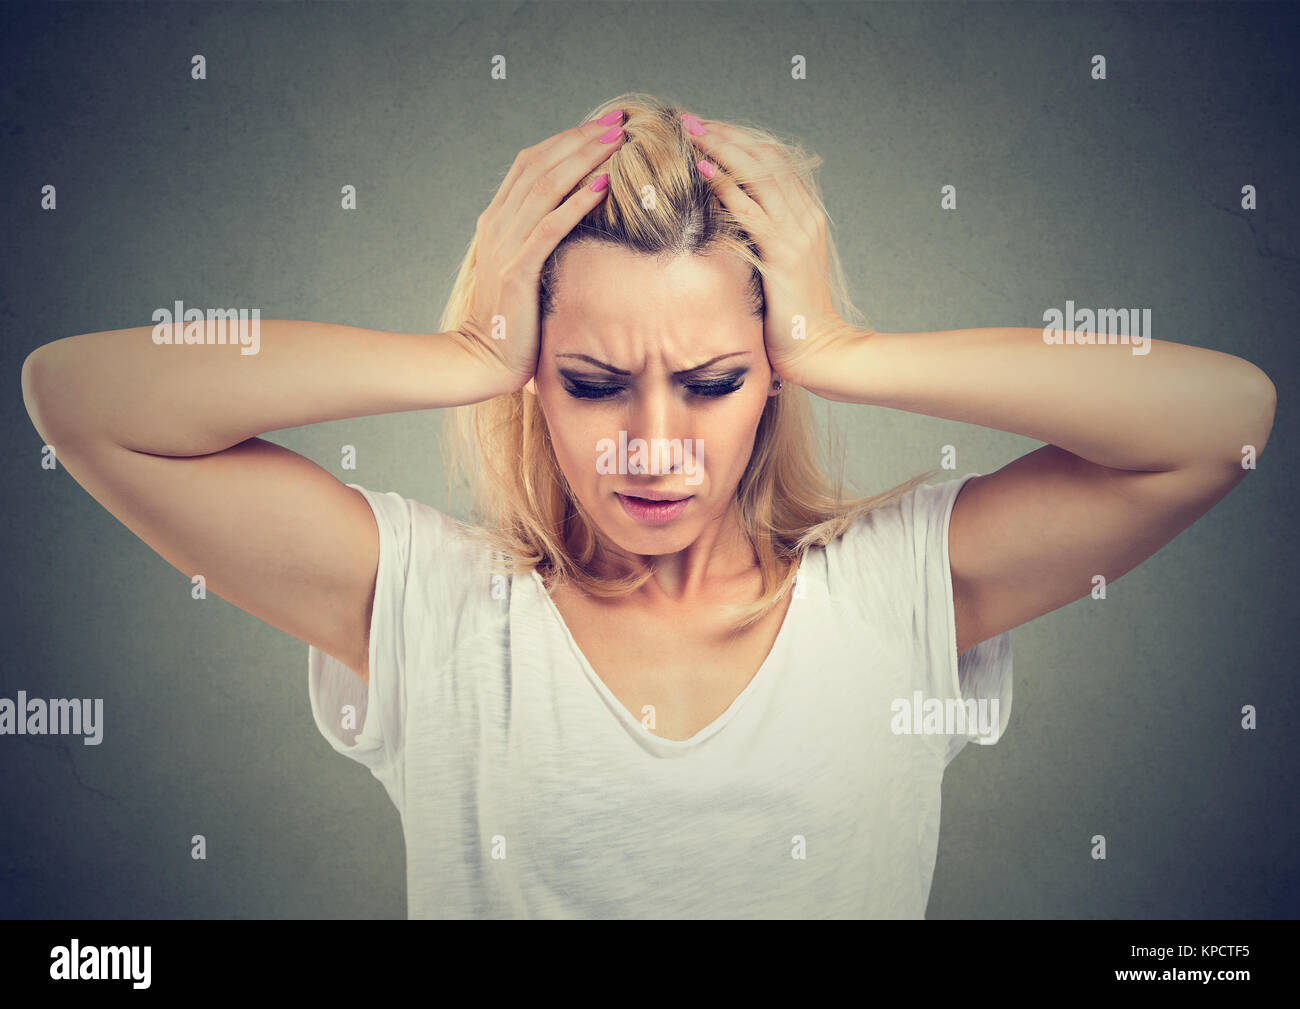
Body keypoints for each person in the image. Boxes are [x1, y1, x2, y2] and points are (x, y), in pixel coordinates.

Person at [20, 92, 1276, 919]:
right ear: (534, 383)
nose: (656, 447)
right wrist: (460, 350)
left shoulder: (895, 594)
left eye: (716, 381)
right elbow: (79, 396)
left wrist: (844, 344)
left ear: (770, 376)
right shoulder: (435, 611)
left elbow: (1221, 421)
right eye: (592, 381)